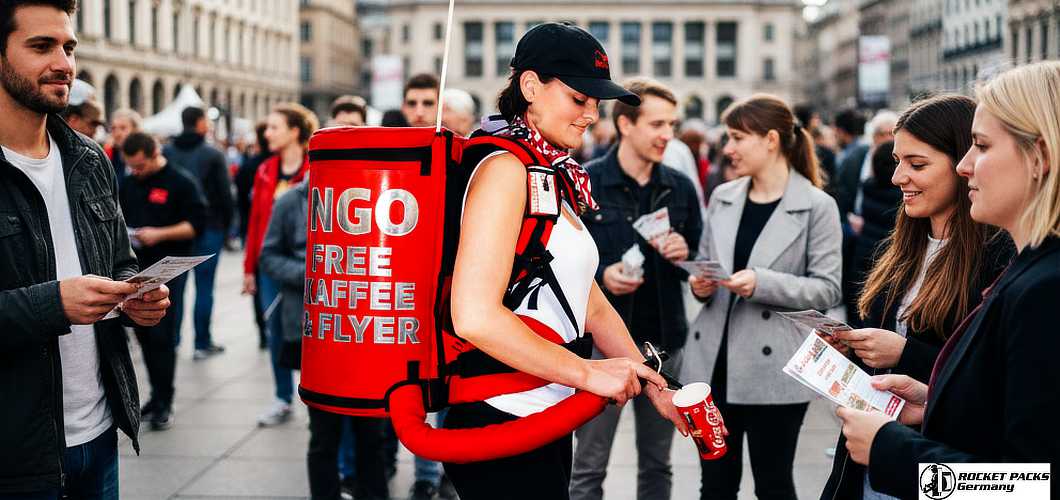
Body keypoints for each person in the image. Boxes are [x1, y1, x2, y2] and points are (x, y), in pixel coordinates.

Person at [442, 22, 680, 500]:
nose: (592, 114)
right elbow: (472, 316)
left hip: (543, 409)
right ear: (530, 86)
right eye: (579, 98)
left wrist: (652, 382)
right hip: (501, 417)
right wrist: (589, 373)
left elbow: (585, 298)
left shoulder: (548, 167)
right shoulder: (506, 168)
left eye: (596, 102)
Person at [836, 60, 1060, 500]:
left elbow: (1032, 487)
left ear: (1040, 156)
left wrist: (891, 451)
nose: (965, 166)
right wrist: (933, 399)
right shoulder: (1032, 269)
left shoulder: (1045, 288)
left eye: (981, 146)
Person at [0, 1, 171, 495]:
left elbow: (120, 261)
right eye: (41, 46)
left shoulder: (89, 158)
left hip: (99, 434)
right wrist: (53, 303)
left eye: (68, 47)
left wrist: (140, 297)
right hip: (15, 455)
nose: (64, 63)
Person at [819, 94, 1013, 500]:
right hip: (878, 456)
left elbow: (1024, 477)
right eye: (897, 162)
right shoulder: (903, 244)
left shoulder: (1004, 259)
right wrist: (846, 349)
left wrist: (904, 354)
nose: (898, 177)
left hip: (948, 469)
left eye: (917, 164)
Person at [684, 94, 842, 500]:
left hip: (773, 370)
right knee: (715, 484)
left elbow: (828, 288)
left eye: (738, 137)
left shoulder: (816, 206)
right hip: (713, 363)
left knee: (773, 483)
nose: (728, 147)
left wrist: (762, 283)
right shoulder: (723, 196)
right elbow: (707, 263)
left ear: (771, 140)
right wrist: (700, 286)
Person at [570, 78, 702, 500]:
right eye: (658, 124)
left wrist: (687, 258)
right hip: (601, 350)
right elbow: (561, 268)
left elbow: (697, 267)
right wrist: (604, 276)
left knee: (658, 465)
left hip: (664, 344)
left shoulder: (679, 186)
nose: (668, 135)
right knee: (587, 467)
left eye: (673, 125)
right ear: (626, 124)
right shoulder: (586, 183)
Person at [259, 176, 390, 500]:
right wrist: (311, 271)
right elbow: (269, 255)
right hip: (314, 330)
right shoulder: (292, 201)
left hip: (364, 332)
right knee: (323, 431)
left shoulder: (377, 195)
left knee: (371, 429)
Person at [119, 132, 208, 431]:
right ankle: (155, 397)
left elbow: (195, 225)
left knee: (163, 336)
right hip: (135, 270)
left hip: (169, 270)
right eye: (132, 167)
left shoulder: (181, 182)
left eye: (141, 165)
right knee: (143, 335)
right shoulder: (128, 183)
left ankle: (165, 401)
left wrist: (159, 234)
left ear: (156, 152)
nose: (137, 172)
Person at [243, 102, 318, 426]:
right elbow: (256, 221)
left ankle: (315, 394)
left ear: (295, 131)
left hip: (305, 265)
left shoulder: (314, 169)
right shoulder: (265, 170)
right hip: (273, 265)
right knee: (275, 332)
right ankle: (282, 396)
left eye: (274, 127)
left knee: (311, 335)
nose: (267, 133)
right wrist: (249, 268)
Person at [163, 106, 234, 360]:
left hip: (178, 229)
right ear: (200, 122)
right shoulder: (212, 154)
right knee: (205, 288)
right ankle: (201, 343)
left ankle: (172, 340)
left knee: (174, 290)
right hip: (209, 227)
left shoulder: (167, 151)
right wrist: (227, 228)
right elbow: (225, 195)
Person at [837, 110, 898, 326]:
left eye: (894, 133)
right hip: (859, 241)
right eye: (884, 133)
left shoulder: (899, 165)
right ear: (873, 136)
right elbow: (842, 195)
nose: (889, 138)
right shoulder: (855, 159)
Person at [235, 122, 270, 349]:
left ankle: (262, 330)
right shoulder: (263, 167)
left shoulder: (251, 165)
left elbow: (239, 195)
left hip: (254, 229)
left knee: (258, 284)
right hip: (259, 231)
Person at [105, 108, 141, 182]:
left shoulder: (145, 155)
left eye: (123, 128)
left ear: (135, 130)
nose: (117, 133)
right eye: (113, 128)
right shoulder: (109, 155)